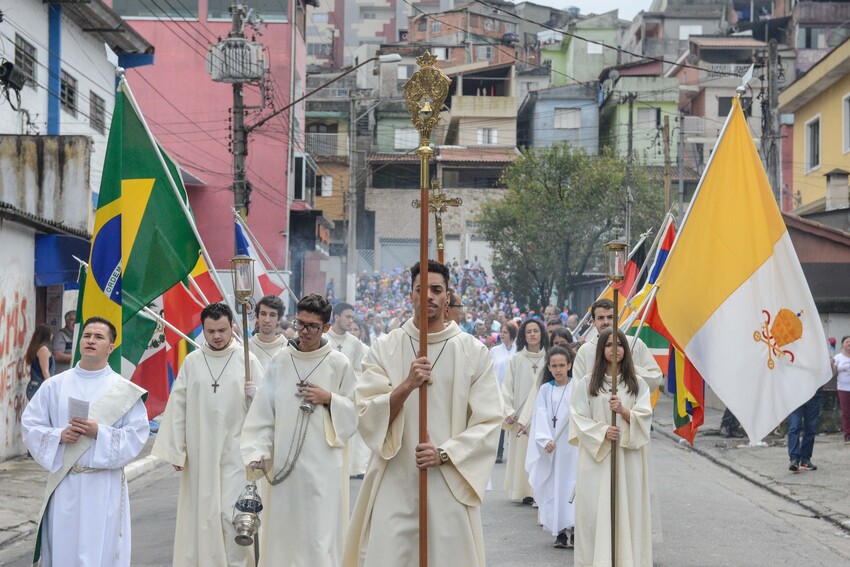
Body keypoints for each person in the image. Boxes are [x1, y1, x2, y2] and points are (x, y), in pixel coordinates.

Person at [342, 260, 503, 566]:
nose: (428, 295)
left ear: (448, 297)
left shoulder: (473, 351)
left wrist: (443, 452)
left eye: (436, 289)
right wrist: (407, 384)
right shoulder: (384, 347)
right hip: (394, 481)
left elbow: (489, 420)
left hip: (448, 481)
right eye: (421, 289)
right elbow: (365, 412)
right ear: (411, 295)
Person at [22, 317, 149, 566]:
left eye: (99, 337)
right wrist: (59, 436)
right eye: (87, 335)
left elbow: (136, 436)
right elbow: (30, 425)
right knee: (64, 549)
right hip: (65, 483)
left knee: (100, 550)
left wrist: (98, 432)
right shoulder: (54, 386)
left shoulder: (123, 390)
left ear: (111, 347)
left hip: (104, 486)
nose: (91, 340)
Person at [242, 294, 357, 566]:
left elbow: (355, 414)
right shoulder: (281, 360)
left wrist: (329, 398)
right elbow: (263, 412)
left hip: (322, 468)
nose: (304, 332)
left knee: (319, 536)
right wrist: (258, 451)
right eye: (300, 323)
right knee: (284, 535)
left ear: (326, 328)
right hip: (283, 468)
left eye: (313, 326)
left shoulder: (338, 363)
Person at [152, 302, 264, 567]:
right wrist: (175, 449)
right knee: (205, 516)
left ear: (232, 327)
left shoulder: (248, 360)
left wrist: (255, 396)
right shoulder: (192, 362)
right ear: (203, 329)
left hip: (237, 453)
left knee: (232, 514)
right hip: (202, 451)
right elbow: (178, 405)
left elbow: (267, 410)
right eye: (211, 330)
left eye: (222, 330)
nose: (216, 336)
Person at [569, 327, 653, 567]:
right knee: (596, 513)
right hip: (597, 459)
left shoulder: (636, 384)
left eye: (619, 345)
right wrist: (603, 430)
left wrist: (625, 412)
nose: (614, 349)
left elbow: (645, 417)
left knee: (626, 510)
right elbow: (577, 418)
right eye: (608, 345)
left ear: (626, 350)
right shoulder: (587, 383)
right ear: (601, 349)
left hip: (627, 458)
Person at [525, 345, 579, 548]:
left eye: (562, 365)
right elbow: (539, 416)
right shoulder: (545, 390)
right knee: (555, 487)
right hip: (553, 449)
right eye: (554, 366)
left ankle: (573, 528)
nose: (558, 370)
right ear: (548, 367)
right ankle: (559, 532)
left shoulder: (577, 387)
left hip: (572, 448)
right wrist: (545, 439)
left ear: (569, 365)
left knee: (571, 486)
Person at [501, 318, 549, 504]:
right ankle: (523, 490)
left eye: (535, 331)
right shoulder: (517, 359)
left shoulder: (549, 358)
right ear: (523, 335)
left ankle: (540, 491)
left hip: (543, 417)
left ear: (541, 333)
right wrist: (509, 410)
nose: (532, 334)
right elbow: (507, 387)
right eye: (528, 331)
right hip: (521, 419)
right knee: (521, 456)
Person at [573, 299, 663, 393]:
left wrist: (629, 366)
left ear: (617, 318)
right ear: (593, 322)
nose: (606, 322)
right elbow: (578, 390)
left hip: (629, 406)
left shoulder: (635, 344)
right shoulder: (585, 351)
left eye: (610, 317)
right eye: (600, 318)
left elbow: (656, 378)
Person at [325, 302, 370, 478]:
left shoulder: (355, 343)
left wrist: (351, 387)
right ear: (336, 317)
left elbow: (359, 369)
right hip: (326, 395)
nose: (351, 321)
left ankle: (348, 468)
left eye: (352, 317)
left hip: (345, 398)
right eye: (348, 317)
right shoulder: (324, 338)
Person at [490, 322, 517, 463]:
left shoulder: (518, 350)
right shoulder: (494, 351)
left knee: (514, 420)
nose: (502, 334)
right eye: (501, 332)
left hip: (515, 391)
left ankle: (513, 450)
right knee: (501, 423)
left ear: (511, 334)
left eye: (505, 332)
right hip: (499, 390)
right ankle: (499, 452)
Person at [787, 386, 824, 472]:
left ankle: (805, 459)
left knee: (810, 428)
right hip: (795, 391)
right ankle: (794, 459)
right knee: (795, 426)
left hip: (814, 390)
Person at [249, 294, 287, 369]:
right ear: (257, 317)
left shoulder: (287, 347)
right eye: (263, 314)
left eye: (272, 315)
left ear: (279, 319)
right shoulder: (246, 348)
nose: (267, 320)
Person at [25, 324, 54, 400]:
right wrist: (51, 387)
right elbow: (45, 371)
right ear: (47, 335)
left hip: (35, 386)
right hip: (39, 386)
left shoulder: (36, 347)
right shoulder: (43, 350)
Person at [833, 336, 850, 445]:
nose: (849, 344)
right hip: (843, 388)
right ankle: (848, 435)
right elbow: (833, 374)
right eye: (847, 342)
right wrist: (832, 365)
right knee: (846, 413)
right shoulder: (838, 357)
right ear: (842, 344)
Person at [52, 310, 76, 374]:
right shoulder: (60, 335)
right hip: (62, 374)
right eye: (72, 320)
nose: (75, 322)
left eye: (76, 320)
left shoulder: (79, 335)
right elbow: (58, 356)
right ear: (66, 322)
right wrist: (77, 357)